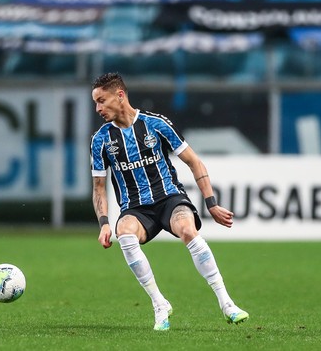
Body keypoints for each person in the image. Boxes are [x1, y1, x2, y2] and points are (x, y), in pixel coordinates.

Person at [89, 72, 248, 331]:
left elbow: (194, 162)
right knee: (124, 234)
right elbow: (98, 187)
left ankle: (227, 303)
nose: (98, 108)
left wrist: (211, 203)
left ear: (120, 96)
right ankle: (159, 304)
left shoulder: (157, 124)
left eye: (102, 101)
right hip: (136, 209)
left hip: (169, 198)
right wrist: (104, 223)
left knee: (188, 230)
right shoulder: (101, 140)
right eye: (96, 103)